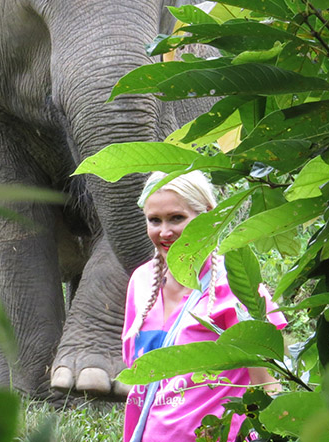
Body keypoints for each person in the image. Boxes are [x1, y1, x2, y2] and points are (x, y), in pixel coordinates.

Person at [123, 171, 288, 442]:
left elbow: (267, 383)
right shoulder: (140, 282)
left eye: (177, 218)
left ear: (209, 216)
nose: (165, 232)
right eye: (155, 220)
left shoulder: (236, 284)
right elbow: (136, 376)